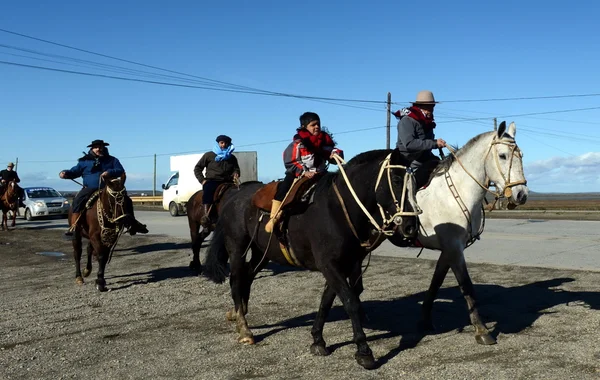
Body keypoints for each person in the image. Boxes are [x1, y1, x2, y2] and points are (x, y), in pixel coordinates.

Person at [265, 112, 343, 233]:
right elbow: (290, 160)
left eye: (318, 124)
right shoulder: (298, 143)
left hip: (320, 174)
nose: (317, 127)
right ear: (304, 127)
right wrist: (303, 171)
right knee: (284, 189)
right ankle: (274, 217)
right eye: (313, 125)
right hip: (298, 173)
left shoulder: (324, 141)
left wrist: (335, 154)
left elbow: (331, 151)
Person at [59, 139, 148, 236]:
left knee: (127, 200)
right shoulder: (84, 161)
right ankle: (74, 226)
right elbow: (74, 172)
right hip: (89, 188)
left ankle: (132, 225)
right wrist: (65, 173)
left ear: (104, 148)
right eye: (96, 147)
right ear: (92, 149)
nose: (99, 149)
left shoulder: (112, 160)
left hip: (109, 188)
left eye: (100, 147)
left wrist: (109, 172)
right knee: (77, 201)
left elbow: (120, 170)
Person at [394, 90, 447, 188]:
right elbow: (409, 144)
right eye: (428, 106)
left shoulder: (427, 122)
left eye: (432, 106)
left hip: (423, 158)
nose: (431, 109)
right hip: (407, 160)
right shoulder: (407, 121)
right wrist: (434, 143)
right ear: (420, 106)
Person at [194, 134, 240, 226]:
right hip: (212, 180)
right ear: (218, 143)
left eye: (226, 143)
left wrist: (236, 173)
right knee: (208, 191)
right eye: (222, 143)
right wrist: (202, 180)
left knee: (239, 193)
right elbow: (197, 168)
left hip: (228, 181)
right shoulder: (209, 155)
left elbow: (236, 168)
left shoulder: (232, 158)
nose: (223, 145)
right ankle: (206, 216)